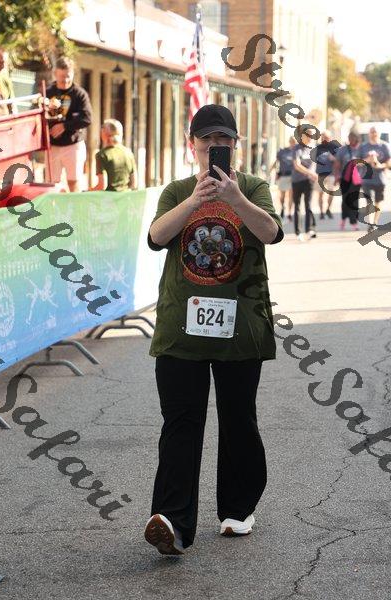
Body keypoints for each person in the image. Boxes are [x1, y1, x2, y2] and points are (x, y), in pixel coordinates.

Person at [144, 104, 284, 556]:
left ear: (235, 146)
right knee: (180, 423)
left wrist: (234, 198)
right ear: (193, 146)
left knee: (238, 418)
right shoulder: (177, 190)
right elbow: (156, 237)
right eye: (206, 142)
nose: (214, 149)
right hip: (180, 328)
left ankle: (238, 509)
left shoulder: (254, 188)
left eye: (222, 142)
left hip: (240, 327)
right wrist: (194, 200)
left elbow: (271, 233)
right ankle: (172, 522)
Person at [46, 56, 92, 192]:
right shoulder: (47, 93)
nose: (65, 80)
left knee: (74, 182)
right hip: (52, 146)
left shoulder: (80, 94)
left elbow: (87, 118)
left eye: (68, 76)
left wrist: (64, 126)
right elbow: (37, 114)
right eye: (62, 77)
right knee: (52, 184)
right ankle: (54, 205)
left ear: (72, 74)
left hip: (73, 145)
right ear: (55, 74)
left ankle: (75, 205)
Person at [356, 126, 391, 231]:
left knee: (378, 202)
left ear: (379, 134)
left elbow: (389, 162)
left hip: (381, 179)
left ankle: (375, 221)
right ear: (369, 134)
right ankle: (370, 223)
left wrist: (380, 165)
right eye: (372, 132)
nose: (374, 134)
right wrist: (368, 160)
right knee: (369, 201)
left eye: (375, 132)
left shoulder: (384, 146)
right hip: (366, 179)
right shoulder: (363, 146)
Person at [90, 119, 137, 192]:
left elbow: (102, 185)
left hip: (108, 197)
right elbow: (134, 184)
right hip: (126, 195)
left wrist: (89, 190)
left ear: (104, 134)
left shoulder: (102, 155)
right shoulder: (129, 153)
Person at [292, 129, 318, 241]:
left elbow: (314, 164)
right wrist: (310, 173)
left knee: (308, 205)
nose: (310, 138)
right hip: (297, 181)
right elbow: (297, 165)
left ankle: (309, 230)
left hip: (308, 181)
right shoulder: (296, 149)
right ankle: (298, 232)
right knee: (297, 206)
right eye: (308, 135)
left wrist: (313, 174)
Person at [333, 130, 361, 231]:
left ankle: (354, 222)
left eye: (353, 137)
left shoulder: (360, 149)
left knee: (354, 200)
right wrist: (336, 176)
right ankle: (343, 219)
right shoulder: (343, 150)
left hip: (356, 179)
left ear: (357, 138)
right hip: (344, 178)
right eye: (350, 137)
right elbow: (337, 164)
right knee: (345, 199)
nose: (351, 139)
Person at [311, 130, 339, 219]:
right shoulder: (317, 148)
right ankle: (321, 212)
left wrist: (333, 158)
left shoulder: (334, 147)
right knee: (320, 194)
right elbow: (312, 161)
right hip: (320, 174)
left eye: (326, 137)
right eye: (323, 137)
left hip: (331, 174)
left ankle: (328, 209)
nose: (324, 139)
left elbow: (338, 161)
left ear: (330, 138)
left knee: (331, 193)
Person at [270, 136, 296, 220]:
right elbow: (276, 162)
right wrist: (271, 170)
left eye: (294, 142)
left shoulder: (296, 152)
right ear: (289, 141)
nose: (293, 143)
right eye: (292, 141)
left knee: (291, 195)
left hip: (293, 176)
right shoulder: (283, 151)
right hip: (283, 176)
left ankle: (289, 212)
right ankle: (282, 207)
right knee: (282, 196)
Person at [0, 47, 15, 117]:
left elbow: (11, 105)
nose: (3, 66)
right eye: (0, 62)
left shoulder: (2, 79)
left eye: (5, 63)